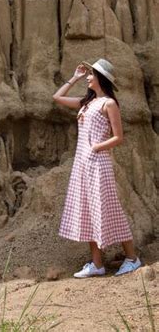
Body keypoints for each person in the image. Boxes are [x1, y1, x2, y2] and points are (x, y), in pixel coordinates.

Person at [53, 58, 142, 278]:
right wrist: (74, 77)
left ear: (101, 78)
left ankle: (132, 259)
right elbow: (57, 97)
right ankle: (97, 264)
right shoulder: (87, 103)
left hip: (98, 163)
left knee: (110, 209)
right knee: (88, 211)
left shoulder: (108, 103)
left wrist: (95, 147)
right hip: (82, 165)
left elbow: (118, 137)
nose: (88, 77)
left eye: (91, 74)